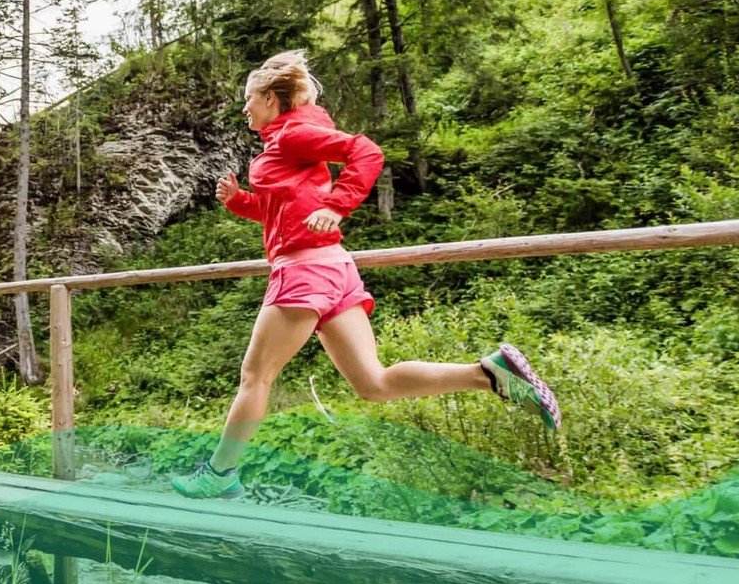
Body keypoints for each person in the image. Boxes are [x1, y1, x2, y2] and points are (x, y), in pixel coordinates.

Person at [171, 50, 561, 500]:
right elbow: (284, 209)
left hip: (304, 271)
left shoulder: (295, 135)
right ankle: (489, 374)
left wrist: (337, 205)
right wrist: (240, 201)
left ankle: (218, 475)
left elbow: (366, 152)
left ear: (272, 100)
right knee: (373, 384)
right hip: (334, 268)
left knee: (255, 377)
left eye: (249, 99)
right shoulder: (287, 143)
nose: (244, 108)